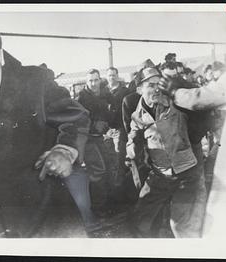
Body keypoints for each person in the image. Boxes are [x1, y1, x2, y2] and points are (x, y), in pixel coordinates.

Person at [0, 18, 98, 238]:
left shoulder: (33, 83)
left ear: (1, 55)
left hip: (44, 219)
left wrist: (64, 150)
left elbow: (76, 117)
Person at [126, 62, 207, 238]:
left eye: (158, 84)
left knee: (180, 225)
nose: (156, 89)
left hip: (186, 173)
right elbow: (132, 135)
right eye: (150, 85)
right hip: (160, 174)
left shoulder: (175, 103)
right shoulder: (137, 116)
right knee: (141, 218)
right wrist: (131, 146)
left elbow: (200, 104)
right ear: (139, 89)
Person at [158, 60, 226, 238]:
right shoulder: (156, 96)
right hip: (165, 152)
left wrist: (193, 138)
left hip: (190, 149)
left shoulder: (188, 90)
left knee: (194, 189)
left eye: (174, 76)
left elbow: (203, 112)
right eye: (166, 77)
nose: (170, 80)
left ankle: (193, 230)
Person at [77, 69, 118, 216]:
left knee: (108, 166)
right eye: (90, 81)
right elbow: (78, 120)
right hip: (87, 139)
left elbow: (111, 113)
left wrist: (107, 121)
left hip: (101, 137)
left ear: (100, 80)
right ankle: (98, 208)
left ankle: (108, 203)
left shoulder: (105, 94)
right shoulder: (82, 98)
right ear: (86, 82)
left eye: (96, 80)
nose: (93, 83)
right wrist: (94, 124)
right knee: (97, 171)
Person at [104, 67, 131, 188]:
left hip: (119, 128)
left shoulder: (125, 91)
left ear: (117, 76)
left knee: (118, 157)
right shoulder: (103, 91)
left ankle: (119, 187)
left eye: (113, 75)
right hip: (106, 130)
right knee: (107, 159)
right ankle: (111, 186)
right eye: (109, 75)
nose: (111, 77)